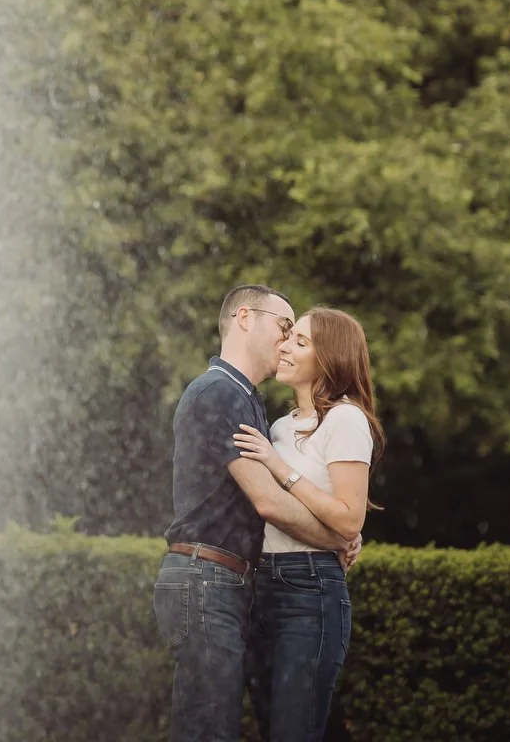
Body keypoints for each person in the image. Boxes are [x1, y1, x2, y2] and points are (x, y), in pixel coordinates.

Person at [154, 285, 360, 742]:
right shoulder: (220, 393)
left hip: (220, 580)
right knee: (209, 731)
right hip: (206, 578)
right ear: (245, 317)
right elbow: (267, 501)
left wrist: (337, 522)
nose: (286, 342)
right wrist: (336, 537)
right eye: (284, 327)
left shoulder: (245, 398)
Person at [232, 306, 384, 742]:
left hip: (310, 591)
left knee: (294, 732)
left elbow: (349, 517)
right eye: (288, 336)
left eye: (300, 341)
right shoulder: (277, 428)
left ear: (330, 358)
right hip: (261, 587)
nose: (285, 346)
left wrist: (280, 468)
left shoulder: (345, 420)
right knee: (269, 728)